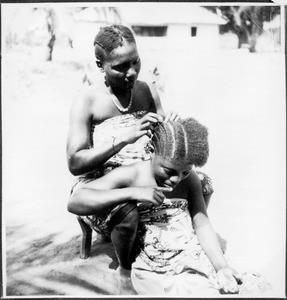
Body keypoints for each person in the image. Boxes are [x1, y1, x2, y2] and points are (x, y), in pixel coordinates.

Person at [66, 24, 213, 277]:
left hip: (147, 176)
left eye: (135, 62)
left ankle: (176, 238)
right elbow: (75, 164)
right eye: (120, 67)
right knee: (126, 212)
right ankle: (126, 252)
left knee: (202, 182)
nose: (131, 72)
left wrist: (171, 126)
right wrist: (121, 140)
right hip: (103, 186)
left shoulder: (147, 90)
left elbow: (164, 143)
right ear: (100, 65)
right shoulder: (86, 100)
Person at [68, 117, 240, 296]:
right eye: (169, 171)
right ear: (151, 151)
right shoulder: (132, 174)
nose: (176, 179)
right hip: (143, 253)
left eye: (185, 172)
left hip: (181, 249)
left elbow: (202, 224)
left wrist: (222, 267)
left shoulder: (189, 180)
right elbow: (75, 201)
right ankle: (124, 273)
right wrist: (133, 193)